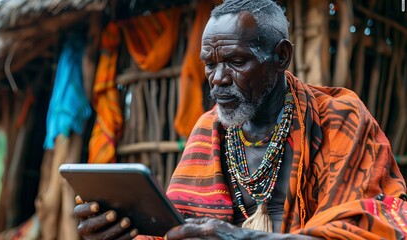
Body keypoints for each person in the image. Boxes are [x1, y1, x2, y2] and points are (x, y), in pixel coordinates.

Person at [74, 0, 407, 239]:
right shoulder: (208, 129)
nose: (218, 78)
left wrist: (242, 238)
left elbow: (377, 227)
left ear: (281, 56)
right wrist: (121, 230)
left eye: (235, 61)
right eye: (210, 64)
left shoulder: (339, 119)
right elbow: (175, 231)